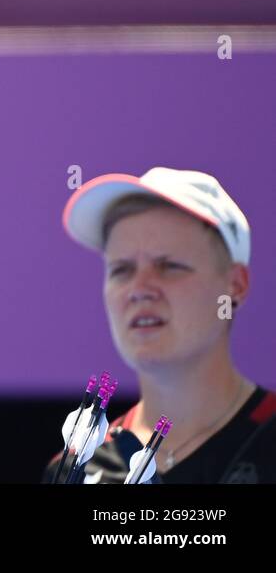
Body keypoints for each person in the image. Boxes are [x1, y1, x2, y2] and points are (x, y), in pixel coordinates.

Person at [46, 167, 276, 483]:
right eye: (121, 269)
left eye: (169, 265)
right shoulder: (75, 468)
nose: (139, 289)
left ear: (235, 285)